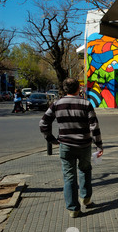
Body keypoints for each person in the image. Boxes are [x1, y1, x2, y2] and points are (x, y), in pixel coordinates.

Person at [39, 78, 104, 218]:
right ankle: (85, 198)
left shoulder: (56, 104)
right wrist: (99, 145)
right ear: (78, 88)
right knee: (85, 170)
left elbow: (43, 123)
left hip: (66, 146)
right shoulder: (86, 104)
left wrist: (51, 140)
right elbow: (94, 126)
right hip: (84, 145)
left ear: (65, 89)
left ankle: (73, 209)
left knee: (69, 177)